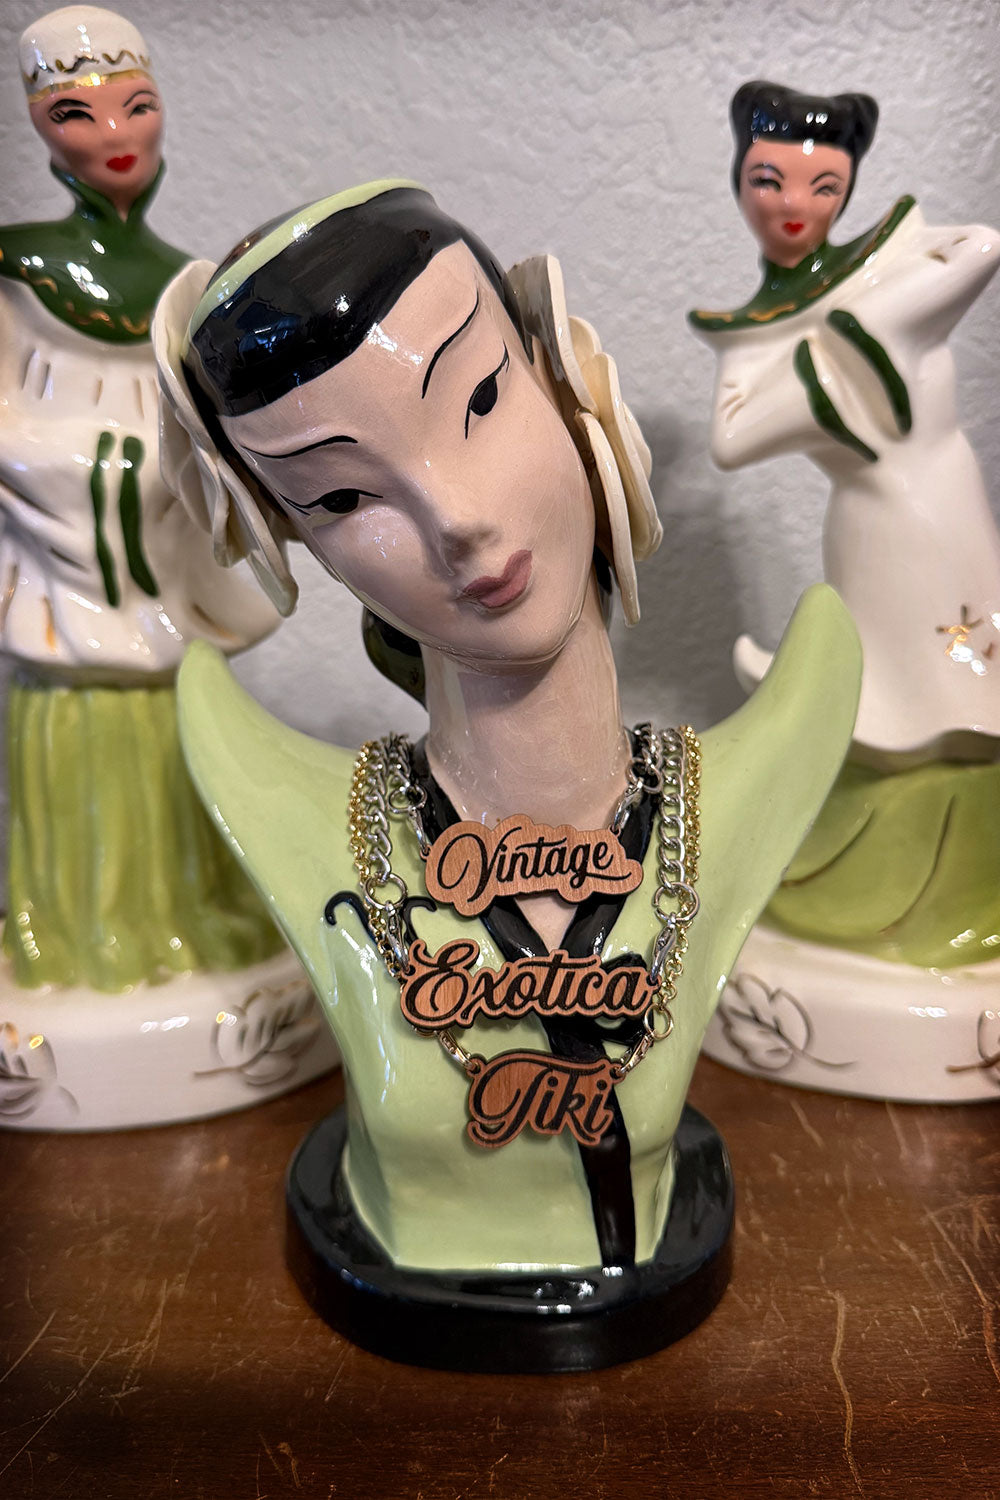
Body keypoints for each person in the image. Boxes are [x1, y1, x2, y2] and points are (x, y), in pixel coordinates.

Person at [156, 180, 859, 1356]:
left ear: (566, 380)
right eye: (341, 495)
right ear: (291, 544)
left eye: (479, 396)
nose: (458, 517)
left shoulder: (760, 771)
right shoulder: (290, 809)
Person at [689, 83, 1000, 981]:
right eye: (770, 180)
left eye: (823, 186)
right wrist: (829, 361)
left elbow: (983, 245)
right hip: (871, 523)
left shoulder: (889, 260)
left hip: (949, 496)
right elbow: (731, 438)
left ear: (849, 188)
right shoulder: (753, 331)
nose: (794, 204)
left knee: (972, 662)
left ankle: (973, 867)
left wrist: (867, 319)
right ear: (740, 180)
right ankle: (883, 860)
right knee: (887, 680)